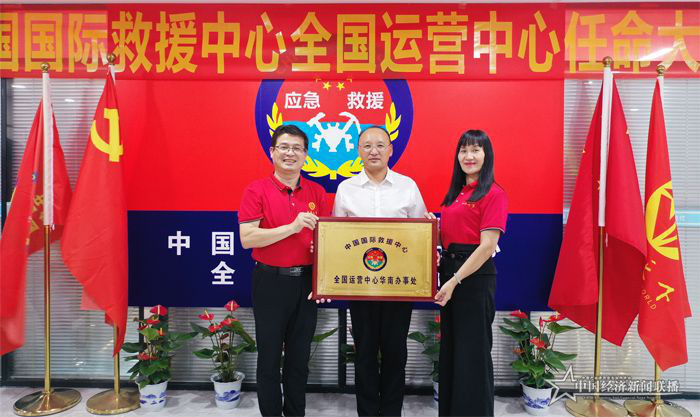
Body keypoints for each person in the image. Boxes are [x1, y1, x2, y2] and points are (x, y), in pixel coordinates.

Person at [334, 126, 427, 416]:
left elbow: (421, 235)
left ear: (390, 150)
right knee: (363, 353)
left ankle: (391, 412)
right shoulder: (346, 189)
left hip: (399, 286)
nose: (373, 151)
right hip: (360, 287)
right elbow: (336, 237)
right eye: (367, 146)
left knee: (395, 353)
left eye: (380, 145)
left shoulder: (407, 186)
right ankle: (367, 411)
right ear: (358, 151)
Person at [239, 124, 330, 416]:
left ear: (306, 155)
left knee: (299, 360)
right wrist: (292, 227)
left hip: (306, 285)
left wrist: (324, 280)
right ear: (272, 152)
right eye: (284, 147)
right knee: (268, 358)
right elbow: (247, 238)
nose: (290, 154)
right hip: (270, 282)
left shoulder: (317, 192)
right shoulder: (256, 190)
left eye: (297, 149)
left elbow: (328, 241)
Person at [426, 130, 507, 416]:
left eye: (475, 150)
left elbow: (487, 246)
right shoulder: (456, 194)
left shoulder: (494, 194)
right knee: (453, 352)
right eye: (463, 150)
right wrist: (430, 230)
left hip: (473, 280)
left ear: (487, 155)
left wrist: (454, 281)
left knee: (473, 355)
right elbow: (449, 239)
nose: (468, 156)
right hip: (451, 274)